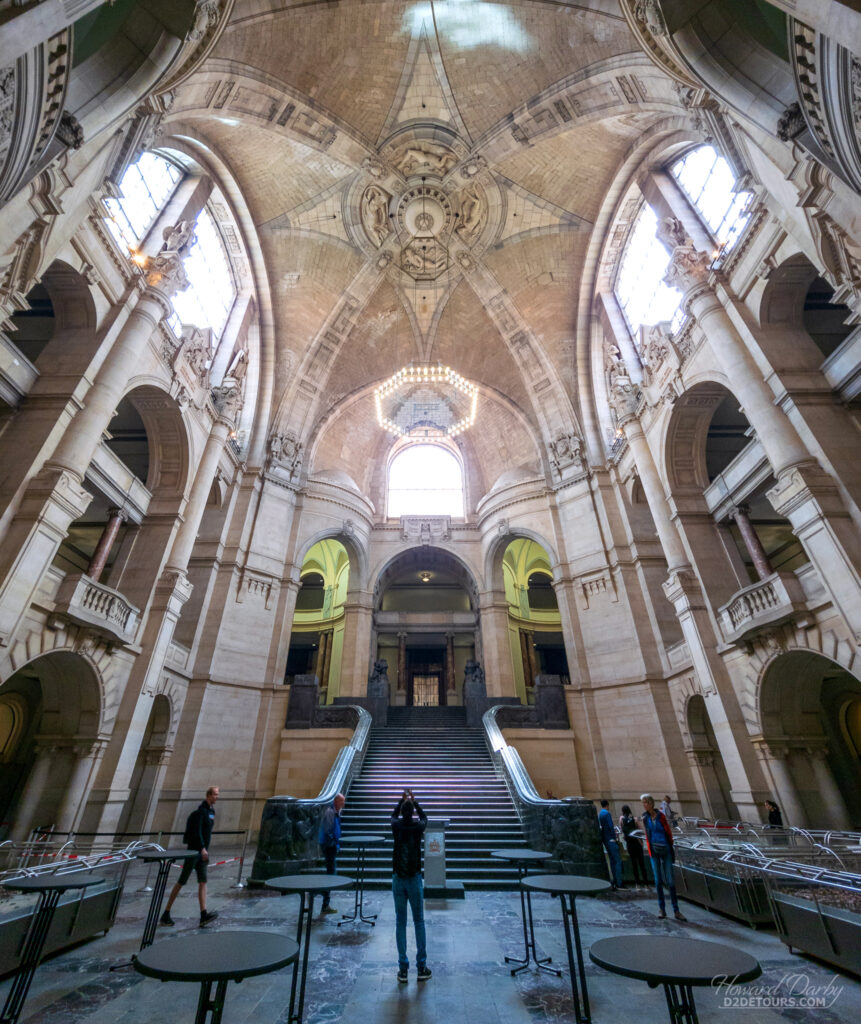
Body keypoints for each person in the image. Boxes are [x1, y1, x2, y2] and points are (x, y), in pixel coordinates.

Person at [160, 785, 219, 927]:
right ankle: (166, 912)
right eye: (216, 794)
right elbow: (197, 832)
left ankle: (203, 914)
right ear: (208, 795)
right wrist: (202, 848)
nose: (217, 797)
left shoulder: (211, 811)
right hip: (194, 853)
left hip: (203, 854)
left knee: (203, 881)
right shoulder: (200, 813)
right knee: (182, 881)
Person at [391, 789, 431, 983]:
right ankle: (421, 966)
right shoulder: (417, 828)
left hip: (398, 879)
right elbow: (425, 818)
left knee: (400, 922)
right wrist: (415, 803)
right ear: (412, 813)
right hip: (414, 878)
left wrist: (402, 800)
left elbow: (392, 816)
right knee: (419, 921)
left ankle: (403, 969)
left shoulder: (396, 826)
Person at [641, 793, 686, 921]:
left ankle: (676, 910)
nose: (644, 805)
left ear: (650, 803)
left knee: (670, 881)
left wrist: (669, 847)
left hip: (665, 849)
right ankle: (662, 909)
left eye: (645, 803)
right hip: (654, 852)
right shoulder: (645, 818)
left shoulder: (661, 817)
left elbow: (668, 833)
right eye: (643, 803)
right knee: (658, 881)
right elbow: (647, 835)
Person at [318, 792, 346, 915]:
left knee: (331, 874)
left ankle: (325, 901)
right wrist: (334, 844)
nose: (343, 804)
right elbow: (328, 830)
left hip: (331, 846)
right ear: (335, 801)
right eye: (341, 802)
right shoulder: (330, 812)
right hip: (329, 847)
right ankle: (323, 902)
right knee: (330, 875)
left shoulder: (335, 811)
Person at [619, 804, 648, 886]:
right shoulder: (634, 819)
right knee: (641, 864)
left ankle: (637, 884)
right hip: (637, 843)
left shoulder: (621, 820)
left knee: (634, 864)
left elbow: (622, 831)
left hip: (629, 844)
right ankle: (646, 884)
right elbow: (641, 830)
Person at [598, 799, 622, 889]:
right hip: (610, 839)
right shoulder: (607, 813)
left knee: (612, 860)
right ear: (607, 805)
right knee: (617, 860)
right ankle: (619, 882)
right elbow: (611, 826)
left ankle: (614, 880)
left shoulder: (600, 814)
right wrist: (614, 838)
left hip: (605, 839)